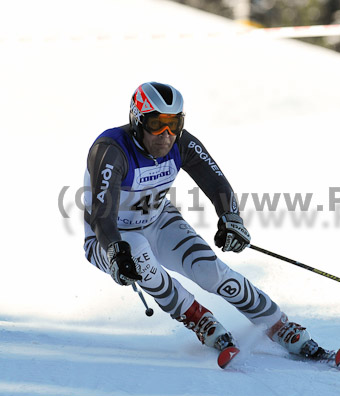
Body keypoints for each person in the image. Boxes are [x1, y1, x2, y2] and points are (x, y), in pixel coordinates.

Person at [83, 81, 321, 358]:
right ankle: (198, 318)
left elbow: (216, 182)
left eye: (174, 123)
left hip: (158, 221)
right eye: (156, 124)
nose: (166, 134)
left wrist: (231, 219)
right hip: (108, 235)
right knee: (139, 258)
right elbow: (102, 214)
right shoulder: (112, 149)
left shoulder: (182, 143)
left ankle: (279, 325)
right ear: (137, 121)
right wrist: (115, 250)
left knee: (211, 271)